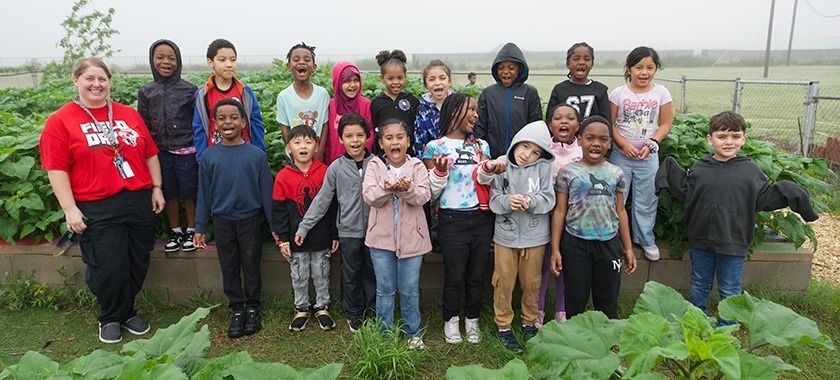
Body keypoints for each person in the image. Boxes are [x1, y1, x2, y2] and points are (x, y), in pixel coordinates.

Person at [40, 57, 165, 344]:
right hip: (97, 204)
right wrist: (70, 209)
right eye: (89, 79)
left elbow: (149, 153)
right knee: (108, 265)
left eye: (102, 79)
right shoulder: (60, 121)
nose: (97, 84)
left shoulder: (128, 115)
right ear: (76, 81)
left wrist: (156, 188)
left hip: (136, 198)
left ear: (109, 82)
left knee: (137, 260)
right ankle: (110, 316)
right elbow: (56, 169)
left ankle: (128, 311)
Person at [655, 111, 818, 325]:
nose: (728, 142)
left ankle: (726, 331)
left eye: (735, 136)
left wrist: (791, 192)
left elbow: (764, 198)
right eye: (722, 137)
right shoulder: (700, 168)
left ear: (743, 139)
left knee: (730, 288)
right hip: (700, 239)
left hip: (733, 243)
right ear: (710, 139)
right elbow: (686, 190)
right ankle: (696, 324)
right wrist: (667, 170)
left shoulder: (750, 171)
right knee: (698, 284)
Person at [422, 92, 506, 345]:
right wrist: (439, 170)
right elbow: (432, 192)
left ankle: (472, 320)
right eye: (470, 109)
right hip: (451, 219)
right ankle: (451, 321)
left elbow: (484, 182)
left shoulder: (481, 146)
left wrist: (489, 170)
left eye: (476, 110)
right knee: (455, 275)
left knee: (475, 275)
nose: (475, 114)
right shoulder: (434, 147)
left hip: (481, 217)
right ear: (454, 110)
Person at [193, 99, 274, 339]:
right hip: (222, 221)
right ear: (215, 124)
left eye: (233, 117)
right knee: (228, 265)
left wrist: (275, 226)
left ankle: (252, 307)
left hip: (249, 220)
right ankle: (236, 309)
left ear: (243, 122)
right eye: (222, 118)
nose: (228, 122)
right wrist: (199, 226)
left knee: (250, 264)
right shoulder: (209, 156)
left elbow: (266, 194)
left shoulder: (256, 155)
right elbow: (203, 194)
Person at [295, 113, 376, 333]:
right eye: (349, 136)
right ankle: (354, 313)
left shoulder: (377, 163)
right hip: (348, 231)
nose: (355, 140)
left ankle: (373, 311)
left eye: (360, 135)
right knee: (350, 273)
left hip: (375, 231)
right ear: (341, 139)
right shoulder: (336, 167)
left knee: (372, 272)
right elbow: (322, 200)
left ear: (368, 137)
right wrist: (304, 226)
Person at [550, 116, 637, 320]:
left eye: (603, 139)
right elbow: (560, 211)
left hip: (608, 244)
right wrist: (555, 248)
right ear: (579, 140)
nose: (596, 143)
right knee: (575, 299)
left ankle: (606, 344)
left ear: (609, 143)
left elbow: (621, 211)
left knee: (607, 301)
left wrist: (628, 248)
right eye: (590, 138)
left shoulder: (616, 173)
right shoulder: (567, 173)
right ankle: (576, 344)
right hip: (575, 244)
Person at [363, 118, 432, 350]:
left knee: (410, 290)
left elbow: (423, 197)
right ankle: (385, 335)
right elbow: (370, 196)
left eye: (400, 137)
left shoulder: (418, 167)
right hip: (380, 242)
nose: (395, 142)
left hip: (413, 240)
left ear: (408, 142)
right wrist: (388, 187)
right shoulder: (374, 166)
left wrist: (406, 189)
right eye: (389, 138)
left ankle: (413, 332)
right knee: (384, 290)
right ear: (381, 144)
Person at [489, 120, 556, 352]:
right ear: (515, 143)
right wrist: (508, 202)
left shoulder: (544, 169)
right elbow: (493, 199)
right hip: (505, 237)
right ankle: (503, 326)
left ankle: (529, 322)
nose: (527, 155)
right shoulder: (500, 165)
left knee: (532, 282)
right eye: (524, 147)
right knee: (503, 280)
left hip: (536, 236)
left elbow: (549, 198)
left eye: (536, 152)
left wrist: (531, 201)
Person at [609, 46, 673, 262]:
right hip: (621, 155)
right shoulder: (618, 93)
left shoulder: (661, 93)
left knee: (647, 198)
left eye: (650, 67)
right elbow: (611, 125)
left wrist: (653, 143)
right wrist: (623, 145)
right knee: (617, 197)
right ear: (629, 69)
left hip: (649, 155)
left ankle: (645, 239)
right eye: (639, 67)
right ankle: (613, 238)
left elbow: (665, 124)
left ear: (656, 69)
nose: (644, 72)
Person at [272, 125, 339, 332]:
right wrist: (283, 239)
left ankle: (322, 306)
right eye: (297, 142)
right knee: (299, 275)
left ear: (316, 146)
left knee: (321, 273)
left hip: (321, 236)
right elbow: (278, 210)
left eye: (308, 142)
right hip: (294, 239)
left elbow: (333, 207)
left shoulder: (325, 172)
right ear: (289, 148)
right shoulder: (283, 176)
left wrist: (334, 234)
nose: (303, 147)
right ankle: (301, 308)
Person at [138, 39, 199, 253]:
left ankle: (192, 229)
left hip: (186, 150)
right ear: (152, 60)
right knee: (169, 191)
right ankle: (176, 231)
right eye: (160, 57)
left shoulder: (190, 90)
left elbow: (198, 121)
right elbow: (142, 123)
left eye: (171, 58)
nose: (166, 62)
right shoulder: (146, 91)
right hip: (160, 153)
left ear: (178, 61)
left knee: (190, 190)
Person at [536, 104, 583, 329]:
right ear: (549, 125)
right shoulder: (543, 152)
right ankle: (538, 308)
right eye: (557, 118)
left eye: (570, 118)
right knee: (544, 263)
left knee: (565, 263)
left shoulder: (583, 151)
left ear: (578, 125)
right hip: (546, 214)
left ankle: (562, 309)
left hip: (574, 217)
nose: (564, 122)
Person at [192, 38, 265, 162]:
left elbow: (256, 124)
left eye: (233, 60)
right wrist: (201, 157)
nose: (229, 64)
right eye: (222, 60)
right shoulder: (202, 94)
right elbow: (199, 127)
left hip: (244, 153)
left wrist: (260, 153)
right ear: (210, 62)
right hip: (215, 155)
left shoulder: (245, 92)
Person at [474, 42, 542, 159]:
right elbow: (480, 126)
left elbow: (535, 126)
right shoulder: (488, 94)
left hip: (521, 157)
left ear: (520, 69)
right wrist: (483, 153)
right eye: (501, 68)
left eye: (511, 68)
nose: (505, 72)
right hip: (492, 157)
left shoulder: (529, 93)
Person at [276, 42, 330, 161]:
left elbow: (325, 124)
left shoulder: (322, 94)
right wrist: (292, 152)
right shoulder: (284, 96)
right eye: (296, 59)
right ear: (289, 66)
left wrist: (320, 151)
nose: (301, 62)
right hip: (294, 155)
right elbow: (284, 127)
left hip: (316, 153)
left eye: (307, 59)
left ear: (314, 66)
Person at [370, 50, 420, 157]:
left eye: (400, 78)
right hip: (384, 156)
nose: (396, 82)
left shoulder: (413, 101)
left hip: (408, 156)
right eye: (390, 78)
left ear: (405, 76)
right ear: (382, 78)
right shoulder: (376, 103)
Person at [546, 42, 611, 123]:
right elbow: (550, 120)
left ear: (592, 64)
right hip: (566, 135)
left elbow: (606, 122)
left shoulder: (600, 90)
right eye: (576, 59)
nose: (581, 62)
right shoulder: (559, 90)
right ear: (568, 64)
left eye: (587, 59)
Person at [325, 61, 372, 164]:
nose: (353, 85)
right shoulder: (330, 106)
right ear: (337, 83)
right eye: (347, 81)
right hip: (336, 163)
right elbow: (327, 138)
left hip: (362, 162)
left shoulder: (366, 105)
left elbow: (371, 134)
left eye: (356, 80)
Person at [413, 59, 454, 157]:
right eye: (432, 79)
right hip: (432, 161)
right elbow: (420, 140)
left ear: (449, 81)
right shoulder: (422, 110)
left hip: (457, 158)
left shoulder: (459, 105)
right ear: (426, 85)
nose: (437, 83)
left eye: (442, 78)